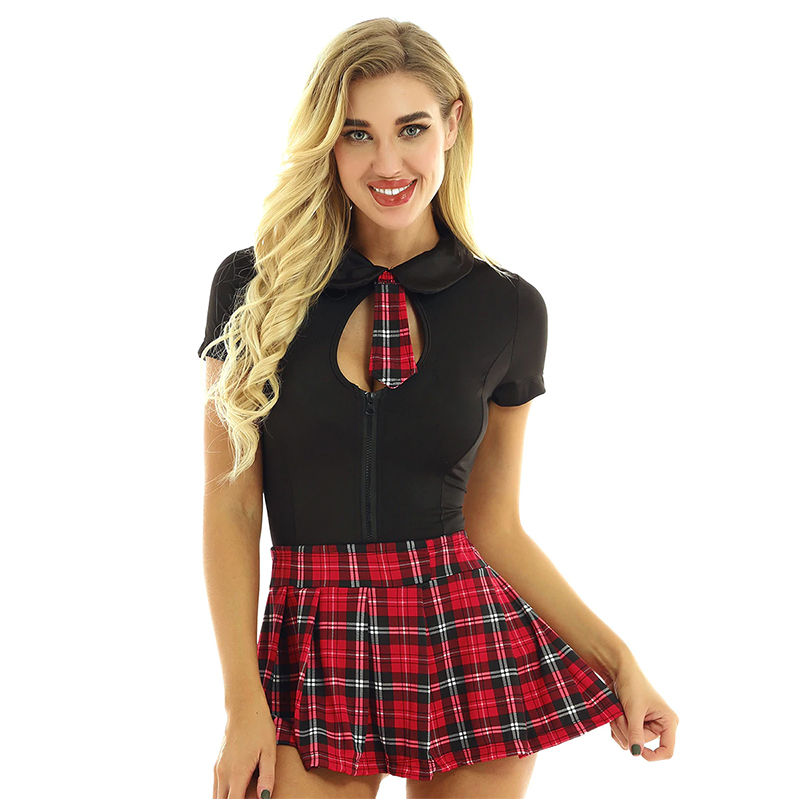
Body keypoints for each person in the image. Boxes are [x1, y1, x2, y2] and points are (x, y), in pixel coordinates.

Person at [199, 17, 679, 800]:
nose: (387, 163)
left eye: (411, 129)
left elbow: (495, 526)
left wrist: (620, 662)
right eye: (357, 133)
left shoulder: (509, 309)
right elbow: (230, 507)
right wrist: (241, 702)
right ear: (327, 143)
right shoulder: (252, 287)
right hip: (310, 641)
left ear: (453, 124)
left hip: (465, 642)